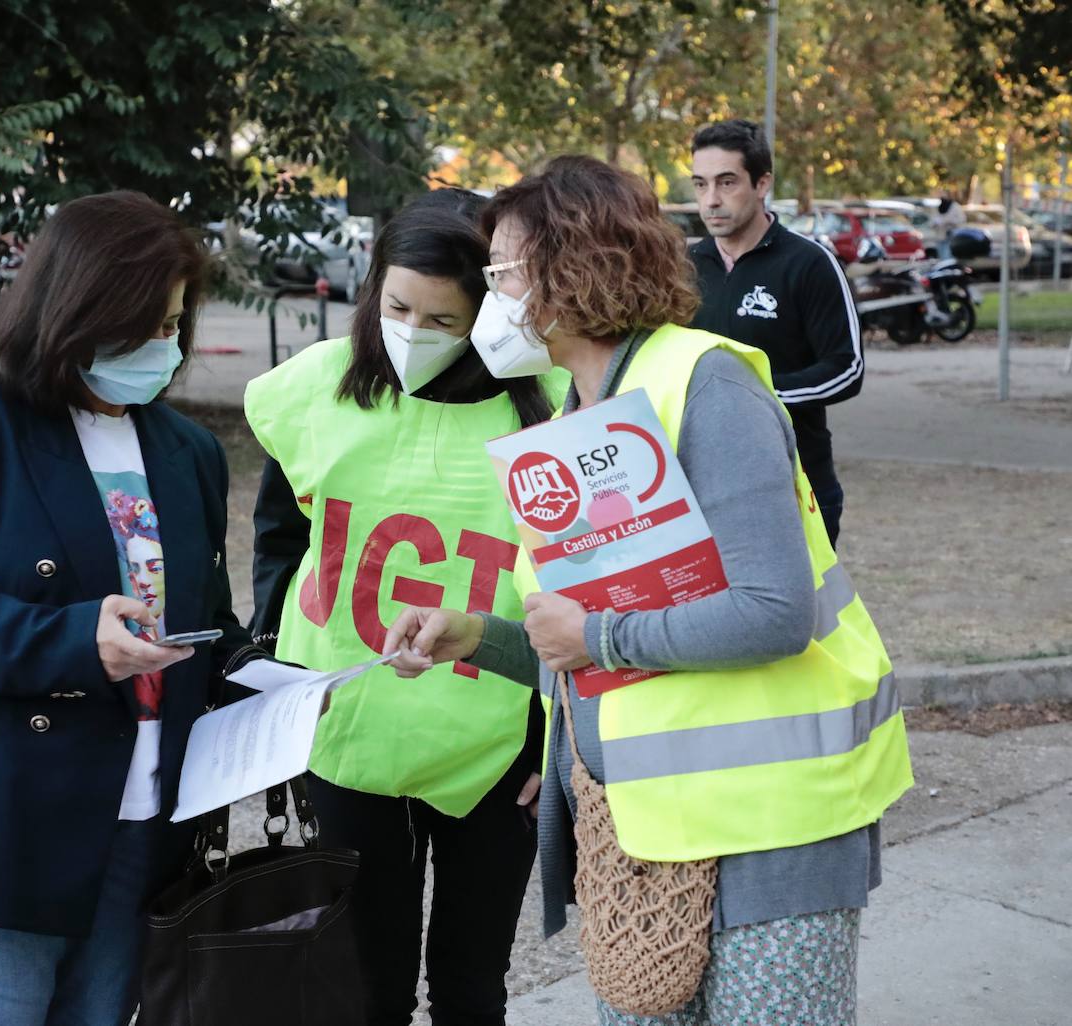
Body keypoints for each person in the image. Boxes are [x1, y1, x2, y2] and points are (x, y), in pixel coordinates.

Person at [384, 156, 912, 1026]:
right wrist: (477, 635)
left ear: (571, 267)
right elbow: (582, 648)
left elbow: (771, 612)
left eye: (503, 272)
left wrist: (596, 638)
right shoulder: (567, 424)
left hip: (771, 831)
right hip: (645, 837)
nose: (491, 296)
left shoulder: (704, 383)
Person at [0, 191, 265, 1026]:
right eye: (136, 327)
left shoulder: (188, 451)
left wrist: (283, 677)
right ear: (69, 312)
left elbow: (206, 624)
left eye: (172, 325)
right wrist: (76, 640)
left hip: (145, 819)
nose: (159, 347)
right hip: (1, 824)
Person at [245, 188, 566, 1026]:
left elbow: (580, 587)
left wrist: (553, 736)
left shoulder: (555, 401)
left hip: (499, 748)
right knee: (365, 985)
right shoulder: (315, 387)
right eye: (396, 307)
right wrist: (277, 675)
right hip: (347, 730)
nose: (414, 332)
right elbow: (281, 539)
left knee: (470, 984)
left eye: (444, 318)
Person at [687, 118, 861, 547]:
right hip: (701, 486)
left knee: (805, 615)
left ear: (762, 183)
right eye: (700, 184)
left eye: (727, 183)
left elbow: (846, 369)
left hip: (795, 483)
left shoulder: (809, 262)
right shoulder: (682, 270)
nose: (711, 200)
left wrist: (753, 395)